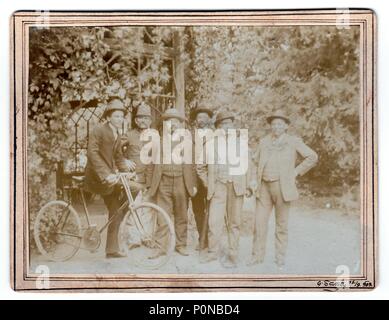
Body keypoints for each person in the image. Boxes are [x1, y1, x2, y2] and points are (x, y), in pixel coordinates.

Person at [247, 110, 318, 268]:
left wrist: (296, 171)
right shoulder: (264, 141)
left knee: (282, 224)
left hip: (282, 187)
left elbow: (312, 156)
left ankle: (280, 257)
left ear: (286, 126)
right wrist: (252, 179)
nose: (276, 127)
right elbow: (254, 161)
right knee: (259, 223)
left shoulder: (293, 141)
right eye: (273, 124)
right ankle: (256, 256)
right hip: (263, 187)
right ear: (270, 126)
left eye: (280, 124)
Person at [198, 112, 253, 268]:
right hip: (218, 187)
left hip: (236, 187)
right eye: (222, 125)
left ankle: (233, 253)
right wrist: (209, 184)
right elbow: (200, 167)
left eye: (228, 124)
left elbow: (249, 166)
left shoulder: (241, 144)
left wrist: (248, 185)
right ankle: (212, 253)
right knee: (214, 222)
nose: (225, 127)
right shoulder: (210, 145)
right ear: (217, 128)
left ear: (233, 126)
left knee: (234, 222)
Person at [146, 108, 198, 258]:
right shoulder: (158, 142)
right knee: (162, 216)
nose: (173, 124)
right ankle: (160, 247)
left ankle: (181, 245)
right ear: (165, 124)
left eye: (176, 121)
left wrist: (193, 184)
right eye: (169, 121)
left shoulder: (187, 142)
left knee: (182, 215)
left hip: (182, 181)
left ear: (181, 124)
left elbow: (192, 165)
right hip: (163, 182)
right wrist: (149, 184)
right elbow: (150, 164)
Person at [84, 97, 131, 258]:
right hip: (96, 178)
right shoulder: (99, 129)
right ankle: (111, 248)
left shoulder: (117, 133)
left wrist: (127, 170)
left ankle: (111, 250)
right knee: (116, 210)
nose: (119, 119)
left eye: (121, 116)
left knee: (127, 197)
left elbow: (118, 157)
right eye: (116, 116)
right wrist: (106, 174)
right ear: (109, 117)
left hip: (109, 178)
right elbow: (92, 153)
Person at [189, 107, 214, 257]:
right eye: (199, 117)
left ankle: (210, 239)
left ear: (209, 119)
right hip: (194, 177)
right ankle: (201, 239)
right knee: (198, 210)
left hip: (210, 176)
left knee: (212, 209)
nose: (202, 119)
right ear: (196, 120)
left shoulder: (215, 135)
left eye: (205, 117)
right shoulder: (189, 135)